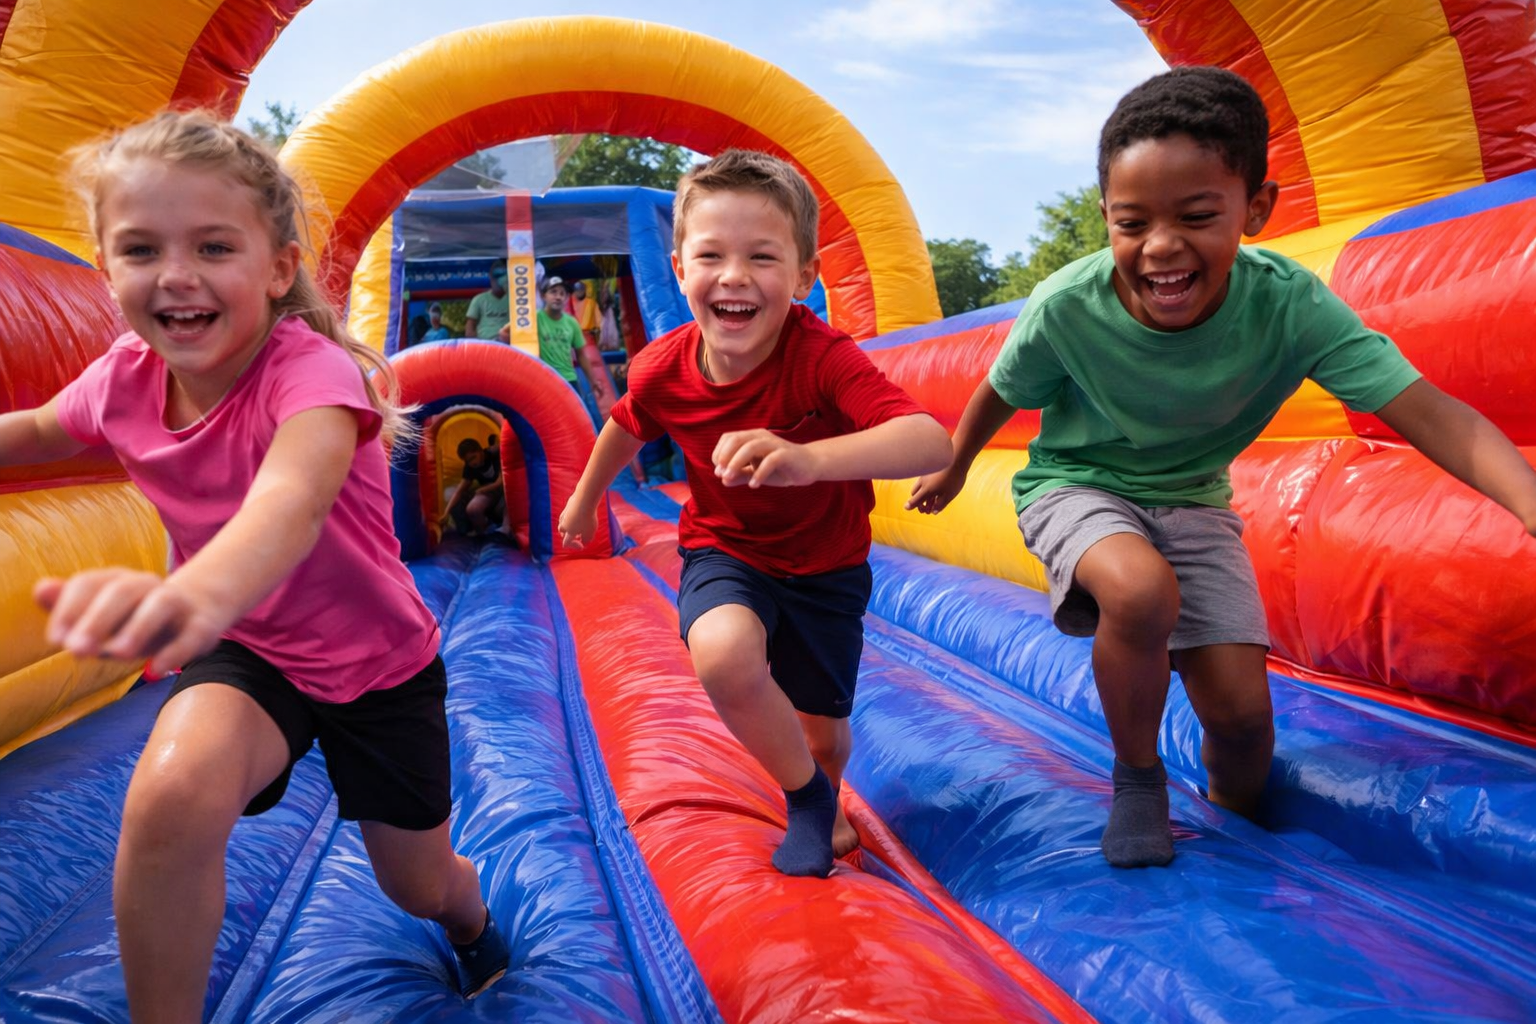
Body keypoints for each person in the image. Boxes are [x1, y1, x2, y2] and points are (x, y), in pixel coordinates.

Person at [907, 66, 1536, 869]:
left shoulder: (1289, 305)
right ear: (1106, 217)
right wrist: (957, 465)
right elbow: (1000, 390)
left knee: (1242, 728)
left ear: (1257, 209)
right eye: (1132, 224)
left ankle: (1233, 827)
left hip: (1193, 502)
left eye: (1198, 216)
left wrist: (1526, 500)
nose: (1161, 247)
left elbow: (1429, 411)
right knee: (1138, 590)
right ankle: (1138, 778)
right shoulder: (1069, 305)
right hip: (1075, 484)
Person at [0, 110, 510, 1015]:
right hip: (251, 650)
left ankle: (470, 921)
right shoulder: (121, 379)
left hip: (377, 667)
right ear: (105, 267)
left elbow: (289, 504)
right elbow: (37, 432)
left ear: (278, 270)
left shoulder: (309, 375)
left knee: (417, 885)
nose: (177, 276)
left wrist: (195, 590)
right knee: (170, 797)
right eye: (142, 249)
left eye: (213, 247)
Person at [559, 148, 952, 878]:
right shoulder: (665, 365)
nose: (735, 276)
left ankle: (823, 785)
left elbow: (928, 439)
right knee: (724, 651)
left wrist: (809, 459)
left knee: (827, 736)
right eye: (712, 255)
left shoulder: (821, 358)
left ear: (804, 277)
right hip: (726, 548)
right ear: (680, 268)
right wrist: (584, 499)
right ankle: (804, 798)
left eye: (762, 257)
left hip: (825, 564)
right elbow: (628, 421)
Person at [537, 275, 607, 408]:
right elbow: (506, 332)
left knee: (576, 418)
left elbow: (581, 355)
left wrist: (593, 381)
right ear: (543, 296)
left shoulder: (572, 322)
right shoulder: (535, 318)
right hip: (545, 378)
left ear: (566, 298)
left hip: (569, 379)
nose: (558, 297)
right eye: (553, 292)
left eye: (562, 293)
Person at [440, 436, 505, 536]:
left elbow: (500, 482)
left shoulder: (493, 454)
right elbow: (459, 491)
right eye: (468, 461)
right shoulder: (470, 467)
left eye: (473, 457)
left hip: (502, 490)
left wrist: (482, 490)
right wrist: (446, 513)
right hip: (488, 492)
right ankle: (479, 530)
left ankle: (497, 526)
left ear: (480, 451)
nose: (472, 463)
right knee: (470, 506)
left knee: (503, 505)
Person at [463, 263, 510, 341]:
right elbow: (469, 331)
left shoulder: (515, 299)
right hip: (486, 344)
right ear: (490, 278)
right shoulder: (479, 299)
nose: (499, 280)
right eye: (496, 276)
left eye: (503, 275)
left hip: (508, 345)